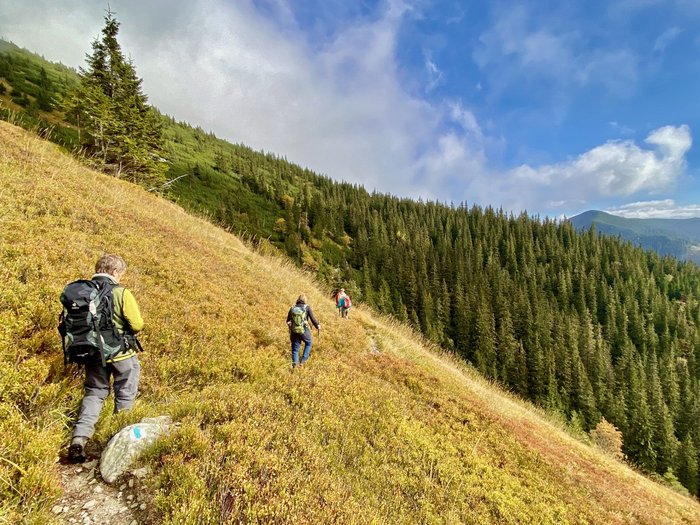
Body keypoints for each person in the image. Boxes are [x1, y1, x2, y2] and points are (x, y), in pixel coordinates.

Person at [67, 254, 144, 462]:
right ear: (115, 272)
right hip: (121, 354)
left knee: (94, 393)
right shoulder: (121, 293)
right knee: (125, 395)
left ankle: (79, 439)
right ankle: (117, 442)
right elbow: (137, 324)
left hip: (93, 353)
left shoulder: (83, 292)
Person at [286, 294, 320, 368]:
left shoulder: (292, 308)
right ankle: (303, 361)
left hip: (294, 331)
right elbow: (313, 319)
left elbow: (288, 320)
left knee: (295, 350)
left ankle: (295, 366)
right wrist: (318, 326)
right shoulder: (306, 307)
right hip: (304, 330)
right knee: (309, 342)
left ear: (298, 300)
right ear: (305, 300)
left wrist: (291, 327)